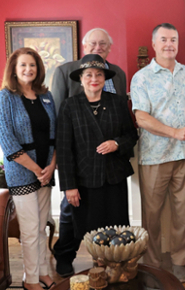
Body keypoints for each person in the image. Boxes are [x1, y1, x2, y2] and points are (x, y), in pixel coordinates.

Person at [130, 23, 185, 282]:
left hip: (184, 155)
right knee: (151, 216)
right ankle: (151, 264)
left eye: (173, 39)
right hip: (154, 156)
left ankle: (178, 262)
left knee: (182, 213)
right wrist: (174, 132)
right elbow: (141, 118)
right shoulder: (142, 77)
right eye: (164, 39)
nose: (169, 44)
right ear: (154, 43)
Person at [51, 28, 127, 277]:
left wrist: (117, 143)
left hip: (110, 167)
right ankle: (65, 255)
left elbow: (126, 128)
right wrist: (67, 179)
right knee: (72, 216)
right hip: (80, 165)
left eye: (103, 43)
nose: (98, 47)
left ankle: (110, 263)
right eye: (93, 43)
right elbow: (60, 131)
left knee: (112, 218)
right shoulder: (65, 75)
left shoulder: (118, 77)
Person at [56, 54, 137, 248]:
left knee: (117, 229)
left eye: (99, 74)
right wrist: (69, 186)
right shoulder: (70, 105)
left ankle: (116, 264)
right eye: (89, 75)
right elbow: (64, 149)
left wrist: (116, 144)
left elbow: (132, 135)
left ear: (105, 78)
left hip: (114, 177)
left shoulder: (118, 102)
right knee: (92, 230)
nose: (94, 79)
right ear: (81, 79)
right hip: (85, 179)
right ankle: (99, 266)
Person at [0, 47, 57, 290]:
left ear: (38, 69)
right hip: (21, 173)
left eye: (32, 65)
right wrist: (36, 169)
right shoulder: (4, 97)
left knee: (41, 227)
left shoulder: (46, 96)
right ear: (14, 69)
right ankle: (30, 280)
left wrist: (51, 166)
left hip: (47, 171)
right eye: (23, 65)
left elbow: (56, 135)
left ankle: (42, 273)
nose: (28, 69)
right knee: (30, 230)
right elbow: (8, 142)